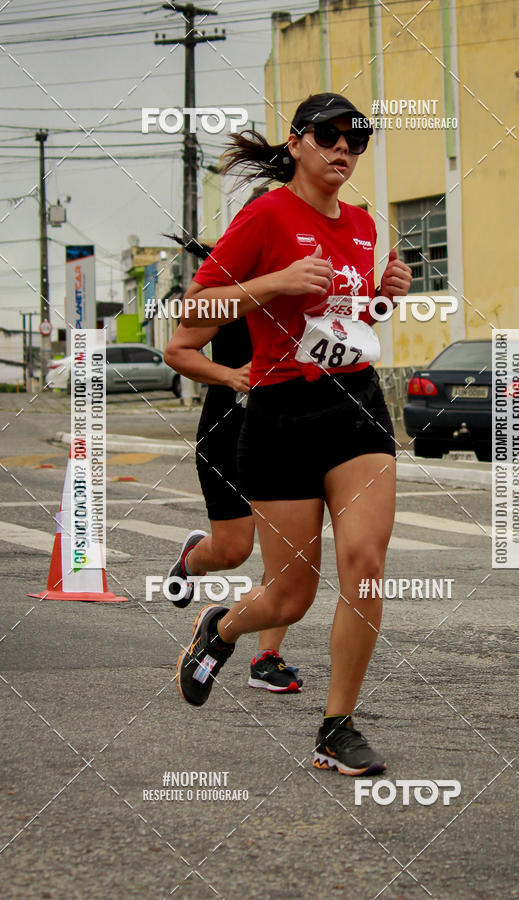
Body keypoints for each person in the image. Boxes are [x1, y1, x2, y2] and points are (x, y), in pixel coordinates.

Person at [176, 92, 412, 776]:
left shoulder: (365, 226)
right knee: (291, 595)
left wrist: (382, 297)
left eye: (357, 139)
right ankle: (219, 630)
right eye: (330, 136)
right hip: (279, 416)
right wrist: (274, 279)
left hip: (355, 405)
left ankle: (337, 727)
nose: (343, 148)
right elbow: (193, 312)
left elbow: (342, 318)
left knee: (365, 564)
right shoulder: (266, 216)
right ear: (299, 141)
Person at [164, 237, 302, 694]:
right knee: (234, 551)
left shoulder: (305, 287)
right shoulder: (224, 294)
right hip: (226, 433)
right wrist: (230, 375)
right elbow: (177, 353)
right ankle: (194, 557)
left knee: (288, 555)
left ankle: (266, 658)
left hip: (287, 432)